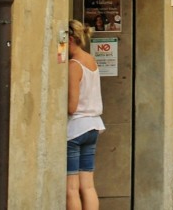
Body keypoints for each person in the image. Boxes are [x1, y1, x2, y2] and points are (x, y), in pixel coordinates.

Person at [67, 19, 105, 210]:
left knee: (71, 189)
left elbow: (72, 106)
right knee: (88, 185)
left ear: (71, 39)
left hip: (75, 129)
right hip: (93, 126)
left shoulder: (74, 64)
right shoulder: (91, 59)